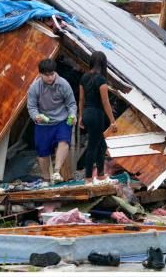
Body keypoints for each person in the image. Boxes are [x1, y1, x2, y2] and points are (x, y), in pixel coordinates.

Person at [27, 59, 77, 184]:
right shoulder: (35, 87)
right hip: (43, 122)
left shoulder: (64, 84)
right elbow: (31, 106)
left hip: (62, 119)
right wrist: (36, 116)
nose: (50, 77)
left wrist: (72, 115)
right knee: (42, 152)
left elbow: (71, 104)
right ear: (40, 74)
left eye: (52, 74)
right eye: (46, 75)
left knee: (64, 141)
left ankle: (56, 171)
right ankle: (46, 178)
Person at [78, 51, 117, 183]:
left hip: (87, 113)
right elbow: (105, 102)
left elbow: (81, 99)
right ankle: (88, 178)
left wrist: (80, 116)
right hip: (97, 114)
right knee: (93, 146)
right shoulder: (101, 80)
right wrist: (112, 120)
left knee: (101, 145)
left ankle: (100, 174)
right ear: (104, 64)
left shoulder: (84, 77)